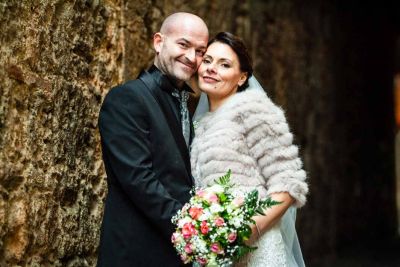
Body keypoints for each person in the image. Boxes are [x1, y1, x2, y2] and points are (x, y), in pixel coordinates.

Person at [97, 12, 209, 266]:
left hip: (176, 254)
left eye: (200, 51)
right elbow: (138, 178)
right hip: (136, 251)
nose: (192, 58)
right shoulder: (127, 98)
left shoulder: (189, 106)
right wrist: (192, 228)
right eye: (183, 44)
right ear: (158, 42)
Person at [190, 32, 308, 266]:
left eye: (224, 64)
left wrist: (247, 231)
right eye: (208, 60)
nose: (212, 68)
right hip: (218, 248)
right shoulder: (200, 123)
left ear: (242, 77)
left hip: (257, 246)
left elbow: (289, 184)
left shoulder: (253, 110)